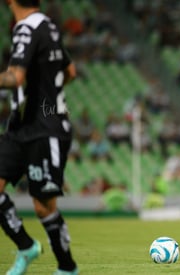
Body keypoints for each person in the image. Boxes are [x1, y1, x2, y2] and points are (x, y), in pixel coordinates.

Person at [0, 1, 78, 274]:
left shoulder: (25, 28)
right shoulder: (48, 27)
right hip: (22, 126)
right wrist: (49, 98)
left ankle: (67, 268)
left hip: (43, 128)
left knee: (44, 207)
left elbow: (15, 77)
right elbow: (70, 72)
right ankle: (25, 246)